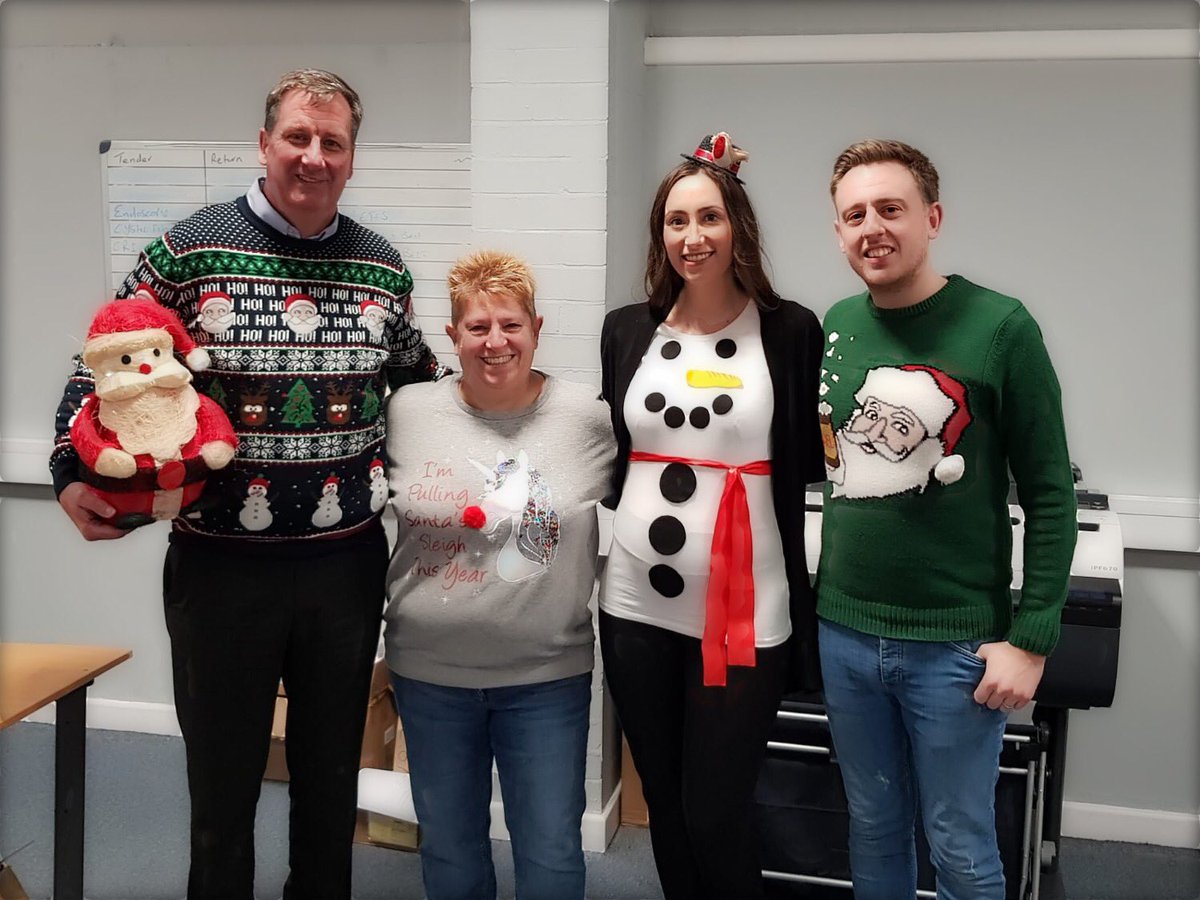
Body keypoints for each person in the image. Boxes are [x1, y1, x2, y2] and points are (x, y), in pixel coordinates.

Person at [50, 69, 447, 900]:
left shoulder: (383, 267)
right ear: (264, 144)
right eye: (297, 137)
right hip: (219, 573)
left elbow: (417, 381)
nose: (314, 156)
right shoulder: (188, 251)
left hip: (345, 568)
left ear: (351, 156)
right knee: (222, 790)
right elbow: (102, 364)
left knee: (329, 784)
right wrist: (65, 470)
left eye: (332, 142)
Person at [817, 138, 1077, 899]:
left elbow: (1050, 492)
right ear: (838, 232)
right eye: (855, 215)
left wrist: (1031, 640)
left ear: (931, 218)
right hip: (845, 632)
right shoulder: (838, 323)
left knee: (960, 843)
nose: (873, 228)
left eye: (890, 209)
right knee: (871, 827)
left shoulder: (1001, 328)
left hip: (955, 647)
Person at [598, 132, 825, 900]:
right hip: (634, 603)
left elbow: (809, 462)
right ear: (660, 234)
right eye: (676, 221)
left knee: (715, 812)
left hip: (744, 609)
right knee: (665, 806)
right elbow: (614, 449)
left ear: (738, 227)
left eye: (708, 218)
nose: (692, 236)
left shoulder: (790, 330)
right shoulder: (627, 329)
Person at [382, 250, 614, 900]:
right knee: (449, 850)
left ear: (536, 329)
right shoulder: (406, 413)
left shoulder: (588, 418)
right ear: (452, 335)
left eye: (510, 325)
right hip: (430, 675)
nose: (495, 342)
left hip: (545, 679)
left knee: (551, 853)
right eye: (477, 327)